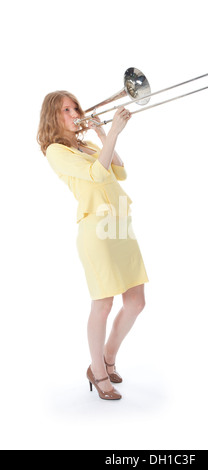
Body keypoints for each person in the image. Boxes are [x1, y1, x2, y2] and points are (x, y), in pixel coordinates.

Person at [37, 91, 149, 400]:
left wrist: (103, 133)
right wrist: (113, 132)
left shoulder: (85, 145)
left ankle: (107, 358)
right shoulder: (56, 151)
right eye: (66, 110)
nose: (74, 112)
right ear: (52, 116)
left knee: (136, 302)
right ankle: (99, 372)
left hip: (119, 225)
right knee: (103, 304)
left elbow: (119, 171)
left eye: (75, 107)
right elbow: (97, 174)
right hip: (96, 229)